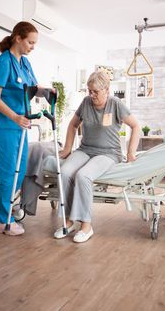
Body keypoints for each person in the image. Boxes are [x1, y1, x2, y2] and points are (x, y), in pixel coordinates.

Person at [54, 71, 140, 243]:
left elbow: (136, 126)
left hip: (109, 153)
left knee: (83, 175)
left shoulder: (115, 104)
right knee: (64, 171)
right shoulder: (86, 102)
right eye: (89, 91)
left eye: (96, 92)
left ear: (106, 89)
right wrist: (67, 149)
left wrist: (130, 152)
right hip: (85, 149)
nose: (91, 95)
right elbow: (73, 124)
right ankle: (69, 220)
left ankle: (86, 225)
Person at [0, 21, 47, 235]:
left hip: (19, 127)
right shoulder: (2, 63)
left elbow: (33, 88)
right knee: (7, 174)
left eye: (35, 43)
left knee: (18, 173)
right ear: (18, 38)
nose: (33, 46)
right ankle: (5, 221)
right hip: (3, 125)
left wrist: (48, 91)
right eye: (30, 42)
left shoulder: (25, 63)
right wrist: (14, 117)